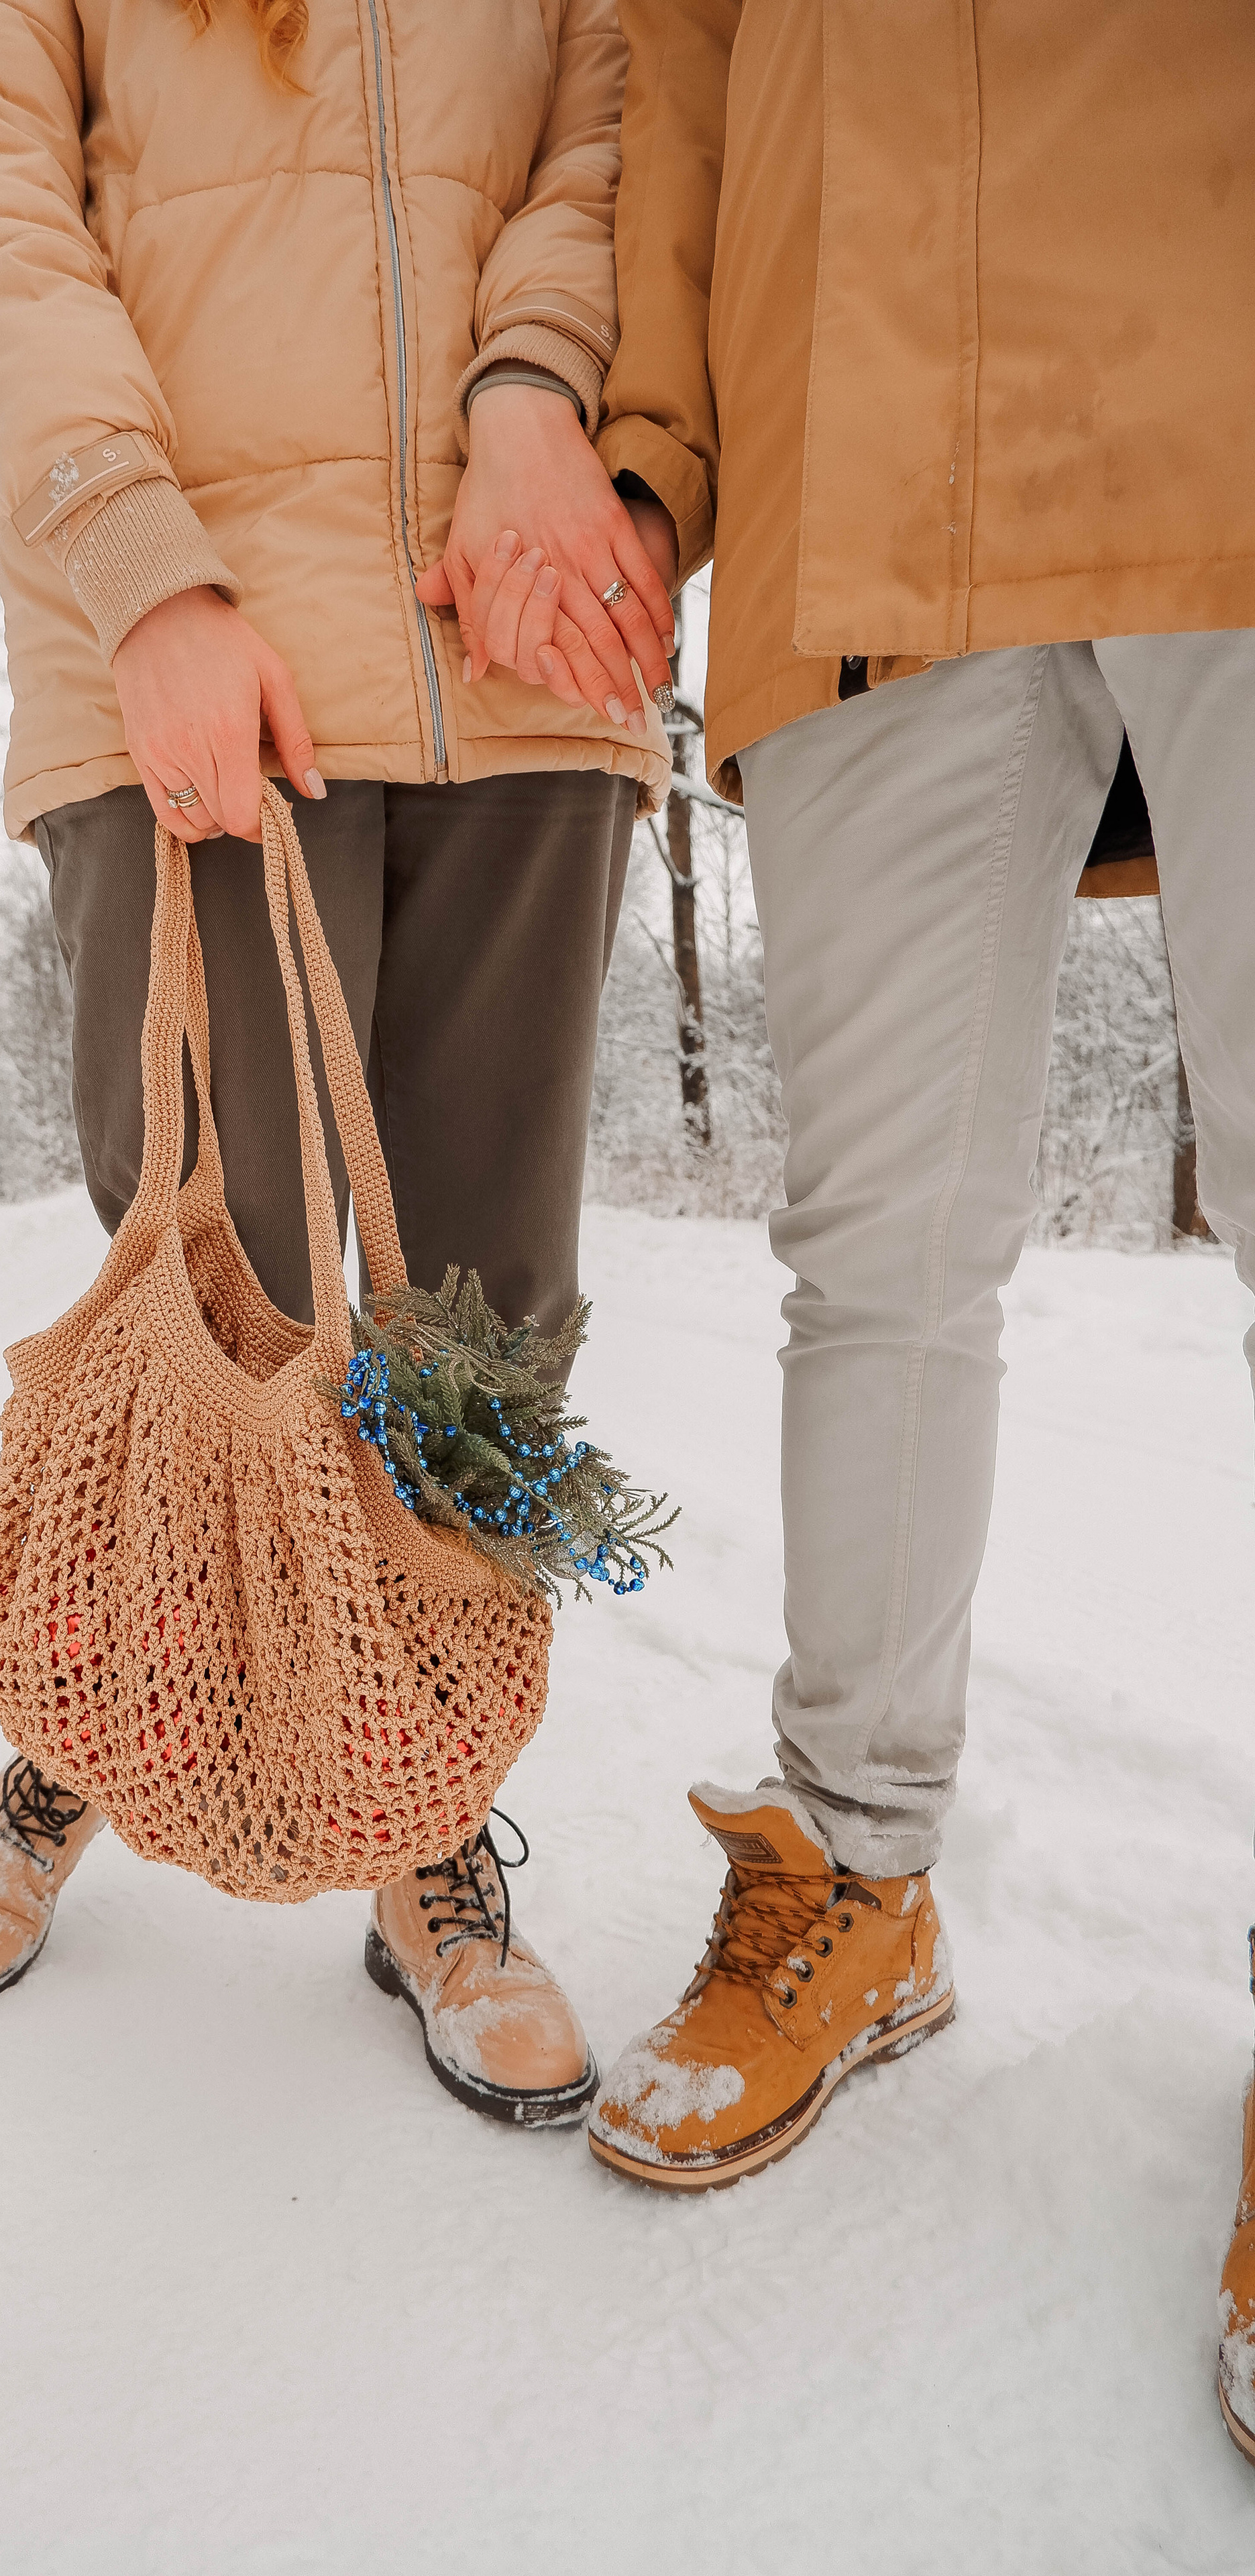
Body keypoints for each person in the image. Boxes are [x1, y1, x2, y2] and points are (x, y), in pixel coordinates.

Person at [485, 0, 1255, 2439]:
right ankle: (858, 1868)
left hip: (1218, 326)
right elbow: (682, 81)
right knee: (880, 1251)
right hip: (861, 464)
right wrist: (643, 457)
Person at [0, 0, 677, 2127]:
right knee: (216, 1295)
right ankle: (106, 1723)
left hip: (519, 647)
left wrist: (531, 401)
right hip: (194, 657)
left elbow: (610, 143)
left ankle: (415, 1808)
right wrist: (137, 565)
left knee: (483, 1321)